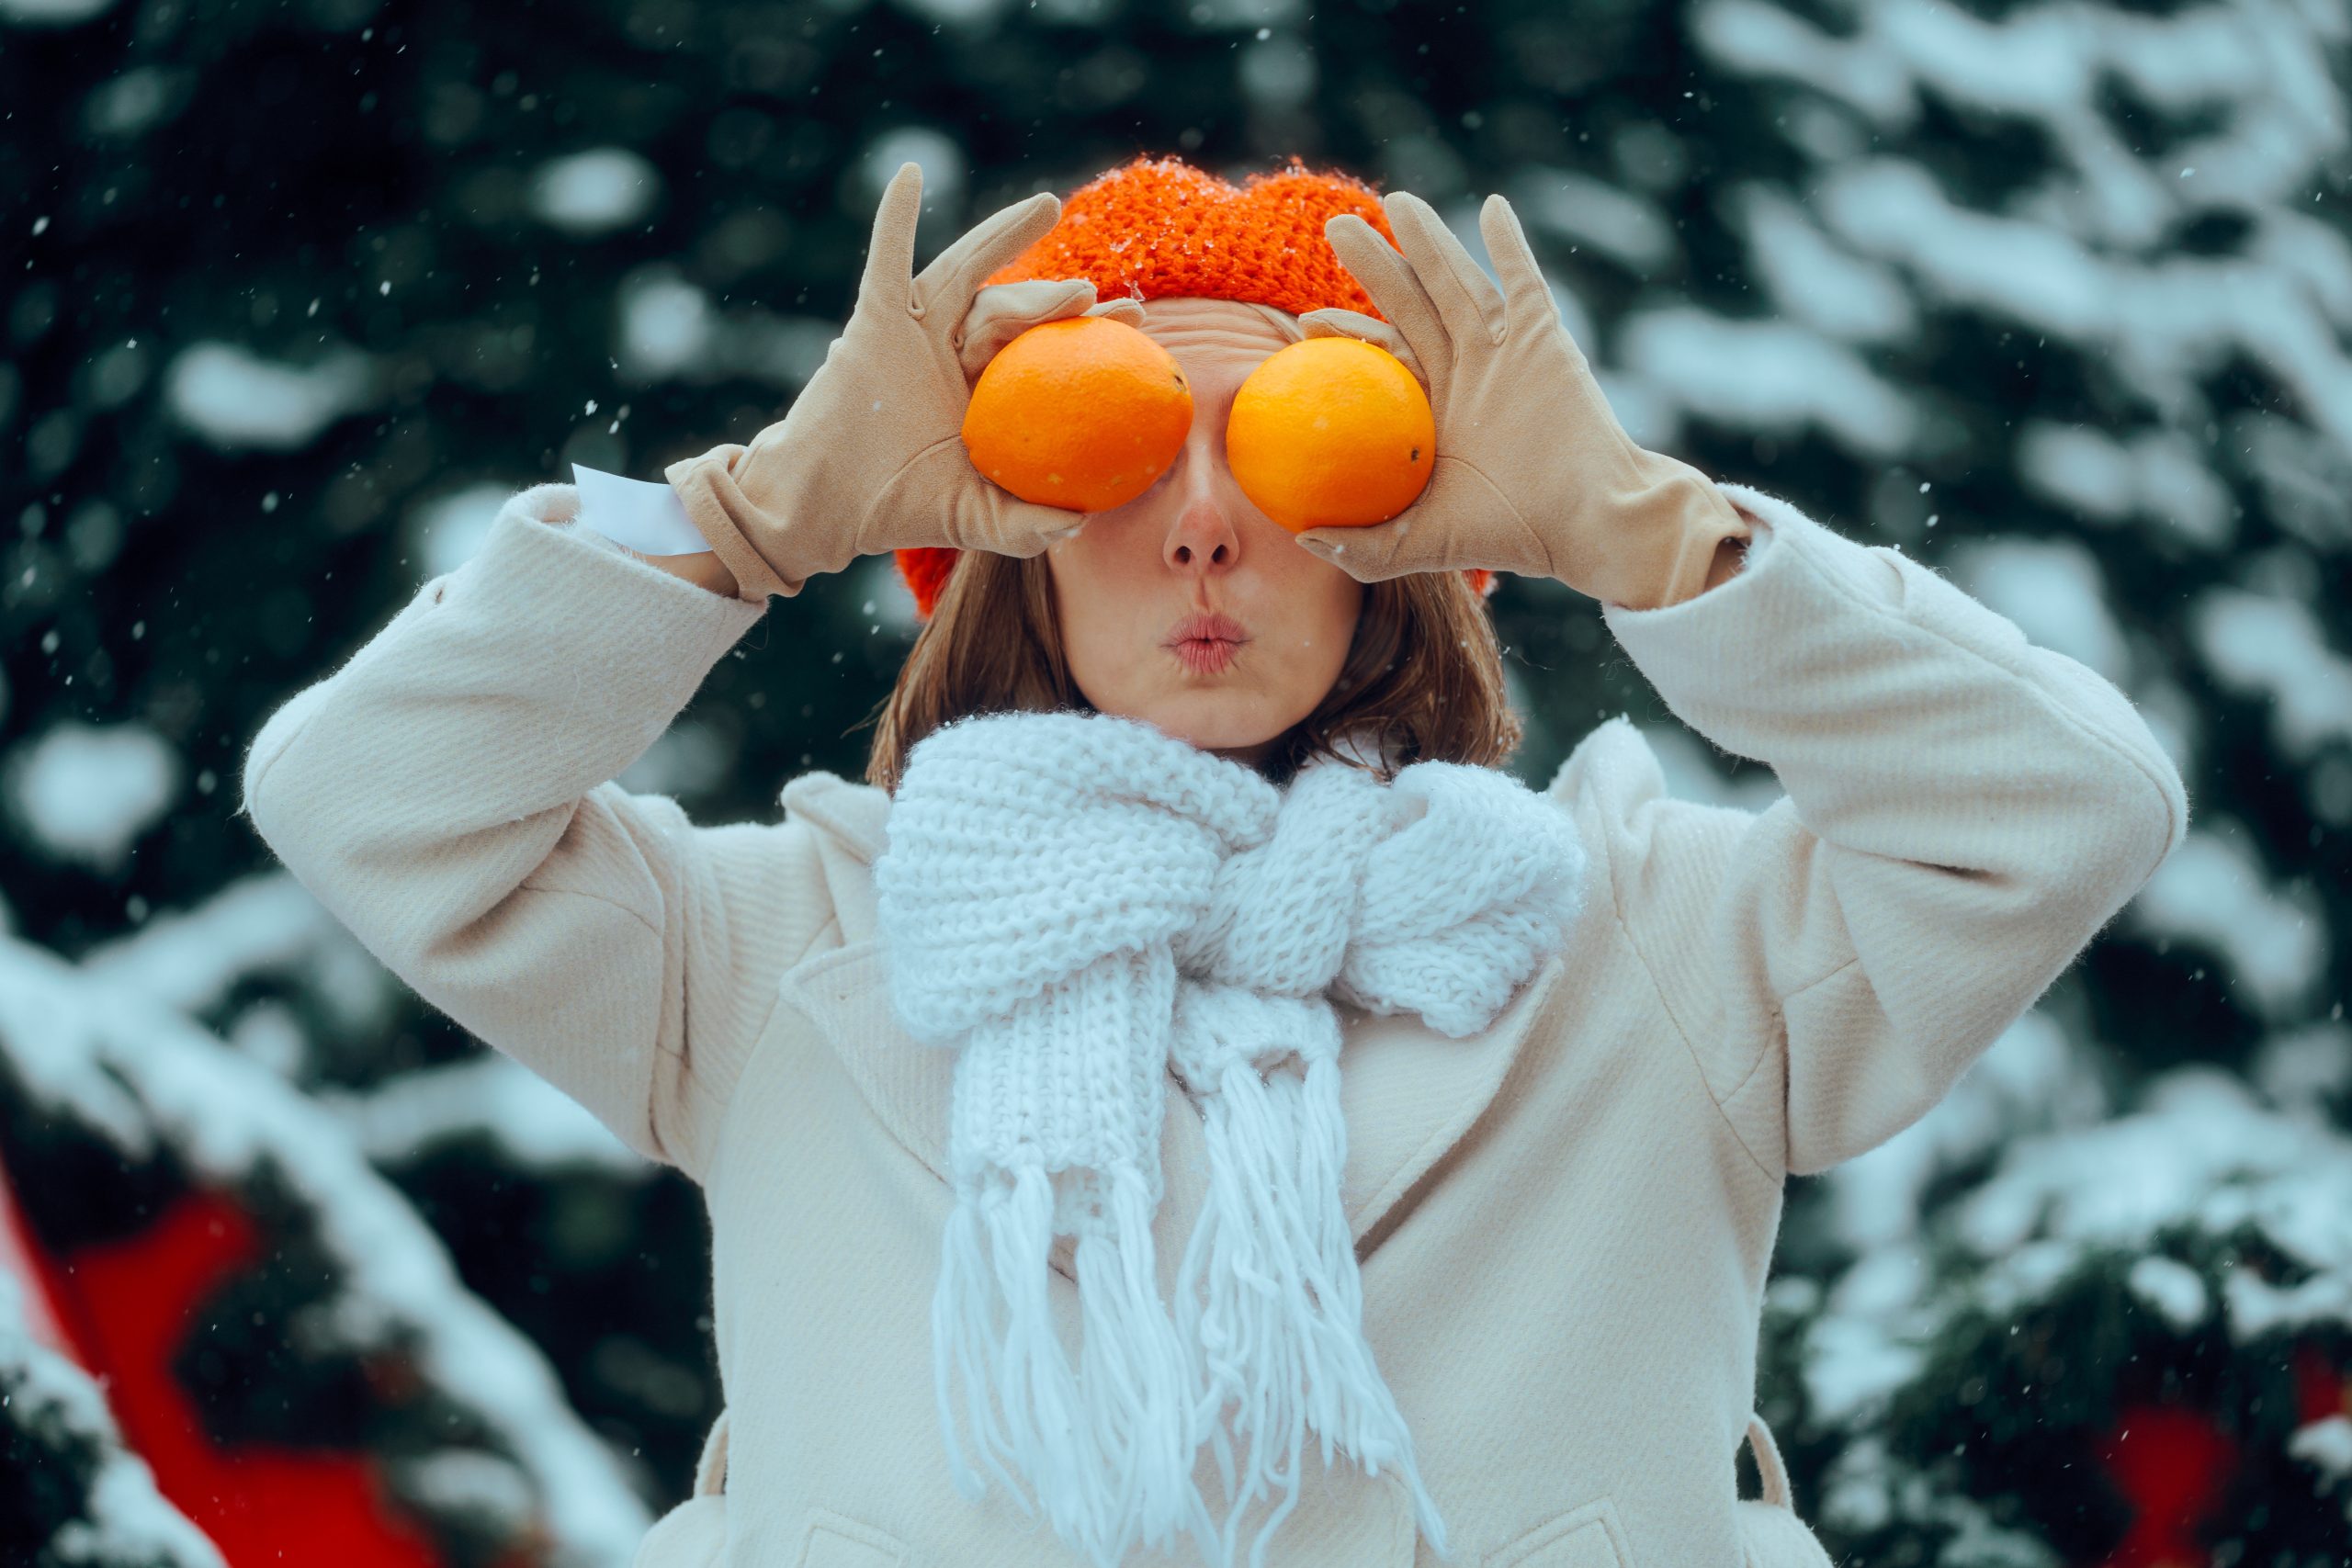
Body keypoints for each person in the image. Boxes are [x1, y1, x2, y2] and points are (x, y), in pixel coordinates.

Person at [239, 152, 2188, 1568]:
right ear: (1000, 534)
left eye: (1288, 446)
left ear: (1397, 529)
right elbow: (367, 801)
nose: (1196, 523)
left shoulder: (1647, 941)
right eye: (1107, 451)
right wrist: (753, 513)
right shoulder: (785, 954)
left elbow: (2056, 808)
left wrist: (1641, 529)